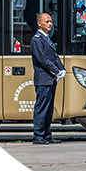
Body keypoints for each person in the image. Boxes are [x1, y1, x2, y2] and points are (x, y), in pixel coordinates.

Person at [31, 12, 66, 144]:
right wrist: (56, 71)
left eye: (51, 21)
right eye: (47, 22)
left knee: (49, 109)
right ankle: (38, 135)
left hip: (50, 79)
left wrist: (62, 69)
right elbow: (42, 59)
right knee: (42, 108)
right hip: (43, 79)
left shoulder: (46, 38)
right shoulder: (37, 39)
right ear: (39, 23)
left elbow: (55, 57)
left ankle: (47, 135)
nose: (50, 24)